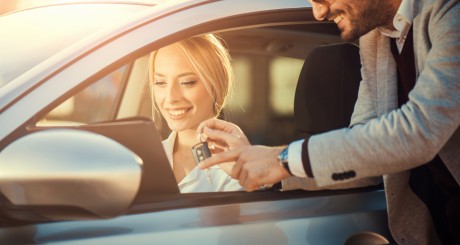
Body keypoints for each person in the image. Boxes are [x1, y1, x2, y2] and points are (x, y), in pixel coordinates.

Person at [199, 0, 460, 244]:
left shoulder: (450, 12)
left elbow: (419, 130)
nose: (318, 13)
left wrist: (284, 159)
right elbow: (365, 161)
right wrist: (269, 169)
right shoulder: (375, 39)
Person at [148, 34, 243, 193]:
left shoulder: (237, 166)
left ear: (216, 85)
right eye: (160, 82)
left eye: (187, 82)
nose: (171, 97)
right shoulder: (142, 161)